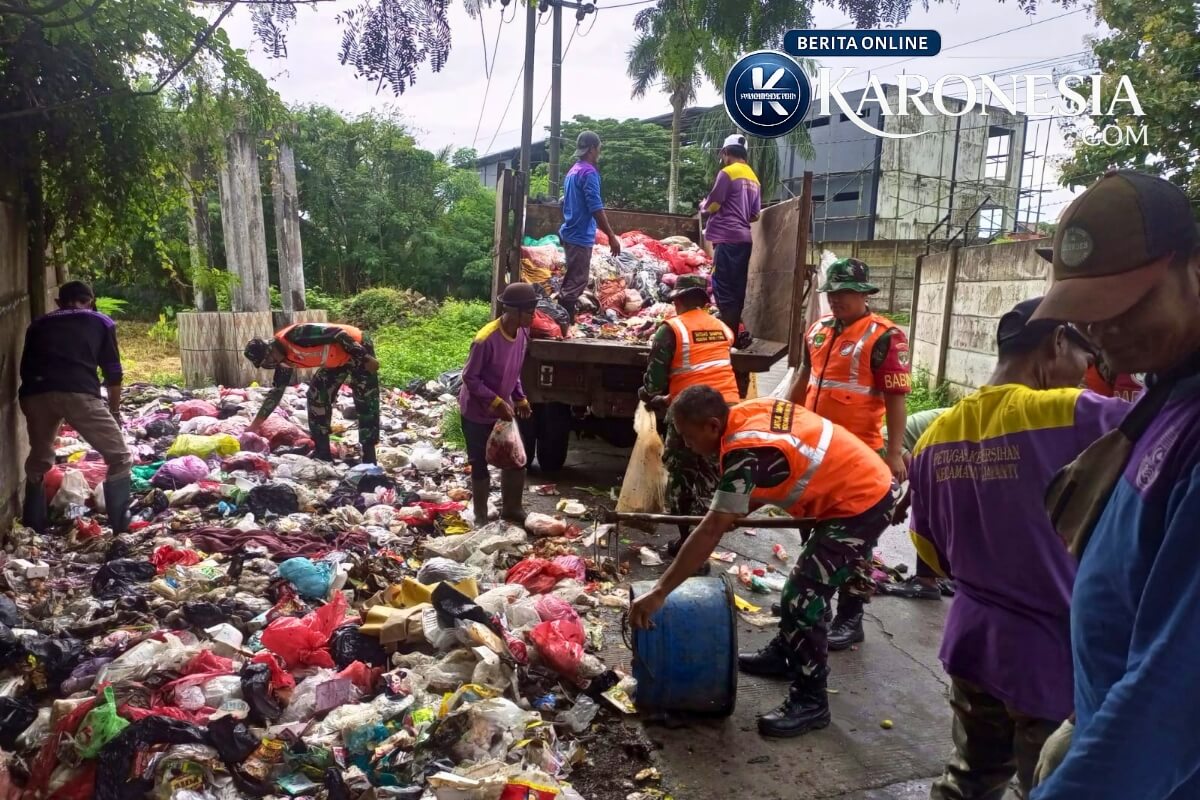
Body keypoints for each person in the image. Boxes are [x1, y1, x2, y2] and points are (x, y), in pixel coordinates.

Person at [909, 297, 1130, 800]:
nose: (1085, 371)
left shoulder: (932, 438)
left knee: (969, 778)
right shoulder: (1077, 414)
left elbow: (931, 551)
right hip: (1046, 655)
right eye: (1086, 356)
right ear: (1057, 342)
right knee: (1046, 785)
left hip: (970, 642)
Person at [1023, 171, 1200, 800]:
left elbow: (1174, 696)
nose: (1104, 329)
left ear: (1192, 266)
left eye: (1126, 304)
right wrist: (1083, 721)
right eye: (1086, 314)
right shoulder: (1167, 392)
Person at [629, 387, 895, 738]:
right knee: (800, 588)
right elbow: (767, 475)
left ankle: (812, 699)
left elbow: (710, 532)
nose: (687, 445)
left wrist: (661, 591)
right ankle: (786, 653)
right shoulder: (742, 415)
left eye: (689, 437)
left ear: (712, 425)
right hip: (847, 486)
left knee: (802, 598)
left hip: (861, 503)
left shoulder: (744, 451)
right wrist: (735, 507)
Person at [788, 257, 912, 649]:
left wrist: (894, 452)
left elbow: (896, 397)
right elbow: (802, 380)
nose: (838, 300)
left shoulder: (884, 337)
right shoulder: (818, 331)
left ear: (864, 295)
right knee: (813, 529)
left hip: (860, 455)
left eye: (846, 293)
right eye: (834, 293)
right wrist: (786, 424)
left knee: (856, 542)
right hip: (816, 450)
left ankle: (851, 616)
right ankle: (816, 605)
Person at [638, 274, 740, 557]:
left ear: (678, 300)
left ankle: (689, 546)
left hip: (690, 413)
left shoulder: (671, 329)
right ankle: (702, 545)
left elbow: (655, 381)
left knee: (681, 477)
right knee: (710, 478)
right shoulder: (723, 328)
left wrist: (647, 395)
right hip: (725, 413)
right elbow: (704, 369)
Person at [19, 281, 133, 534]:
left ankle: (34, 525)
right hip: (79, 393)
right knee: (119, 457)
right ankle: (121, 529)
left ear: (59, 302)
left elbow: (25, 368)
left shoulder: (37, 324)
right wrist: (114, 412)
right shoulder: (100, 321)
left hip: (35, 395)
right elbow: (113, 372)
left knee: (40, 457)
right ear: (91, 301)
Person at [244, 322, 381, 463]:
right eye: (266, 363)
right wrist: (255, 425)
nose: (271, 363)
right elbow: (276, 393)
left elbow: (338, 334)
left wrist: (365, 357)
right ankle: (322, 452)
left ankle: (369, 456)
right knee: (316, 396)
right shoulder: (283, 361)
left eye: (269, 359)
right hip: (335, 360)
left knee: (366, 399)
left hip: (356, 346)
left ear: (270, 347)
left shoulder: (296, 335)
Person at [459, 282, 538, 526]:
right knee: (479, 462)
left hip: (502, 410)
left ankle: (512, 509)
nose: (533, 317)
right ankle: (481, 517)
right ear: (512, 311)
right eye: (529, 312)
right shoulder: (486, 339)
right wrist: (495, 401)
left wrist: (520, 397)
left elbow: (513, 370)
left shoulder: (523, 332)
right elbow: (469, 377)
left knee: (515, 458)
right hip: (477, 411)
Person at [701, 133, 761, 350]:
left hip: (726, 238)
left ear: (726, 153)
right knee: (737, 290)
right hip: (745, 239)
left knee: (723, 288)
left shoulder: (727, 173)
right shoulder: (754, 178)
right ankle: (733, 336)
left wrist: (703, 206)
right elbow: (755, 215)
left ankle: (727, 341)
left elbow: (714, 205)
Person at [559, 130, 621, 324]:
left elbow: (565, 201)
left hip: (570, 230)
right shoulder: (589, 172)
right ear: (593, 149)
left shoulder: (573, 171)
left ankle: (565, 318)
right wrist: (611, 236)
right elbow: (595, 207)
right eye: (599, 148)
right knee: (577, 281)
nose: (599, 152)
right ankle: (563, 323)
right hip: (579, 234)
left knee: (574, 278)